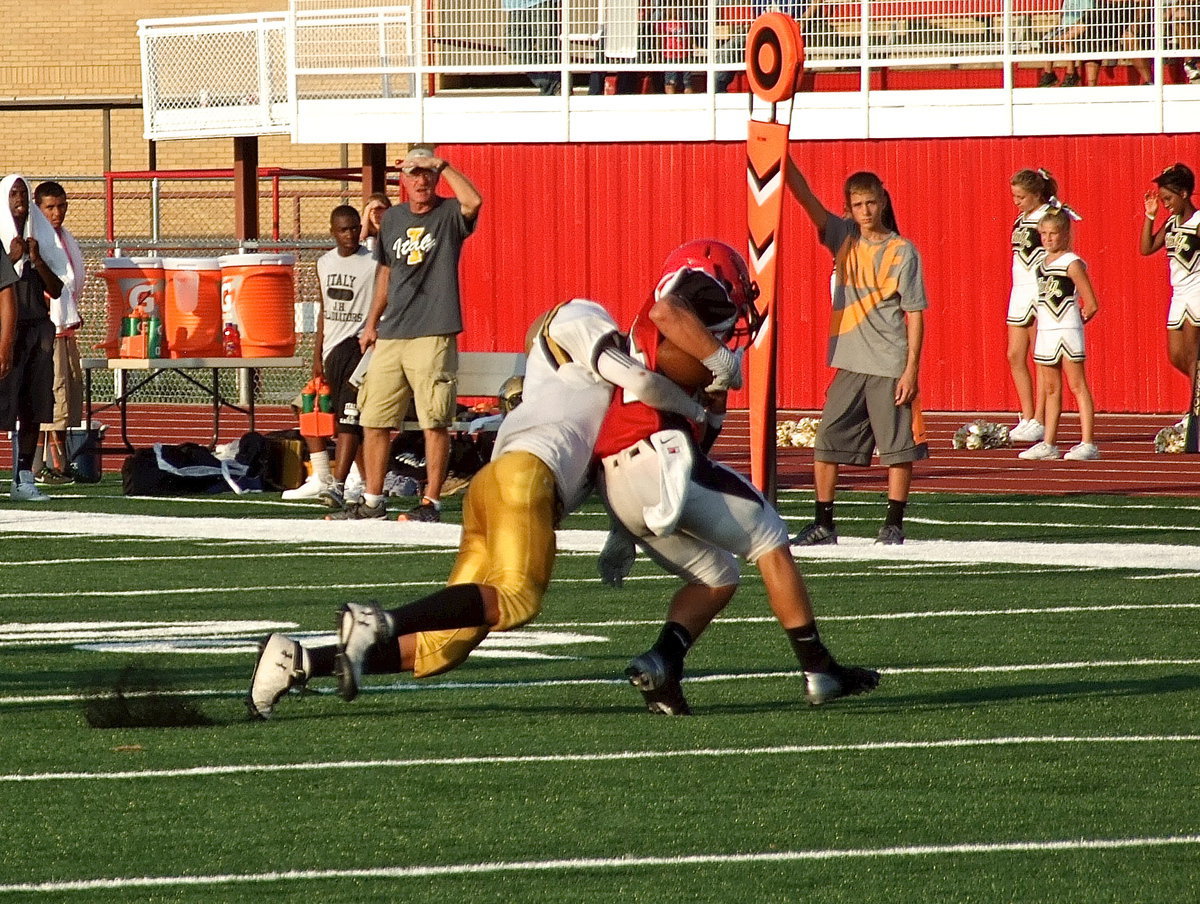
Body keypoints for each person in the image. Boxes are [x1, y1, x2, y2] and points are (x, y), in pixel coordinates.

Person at [248, 298, 711, 719]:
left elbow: (617, 465)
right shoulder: (579, 320)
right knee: (517, 599)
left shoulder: (589, 396)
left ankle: (300, 660)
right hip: (528, 479)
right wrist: (703, 400)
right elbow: (641, 378)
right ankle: (378, 621)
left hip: (499, 490)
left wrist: (620, 535)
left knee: (448, 644)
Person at [594, 239, 881, 715]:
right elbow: (668, 309)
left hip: (620, 478)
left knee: (717, 574)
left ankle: (662, 665)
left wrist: (619, 528)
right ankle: (819, 668)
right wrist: (719, 360)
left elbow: (697, 425)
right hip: (657, 455)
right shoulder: (691, 292)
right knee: (769, 532)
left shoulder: (649, 344)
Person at [329, 146, 482, 523]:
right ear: (404, 181)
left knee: (434, 420)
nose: (421, 180)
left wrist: (442, 164)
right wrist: (371, 323)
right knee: (374, 417)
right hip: (392, 333)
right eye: (414, 173)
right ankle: (373, 500)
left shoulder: (448, 214)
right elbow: (386, 273)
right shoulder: (393, 219)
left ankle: (431, 503)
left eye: (426, 173)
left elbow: (473, 200)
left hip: (433, 331)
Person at [786, 160, 928, 546]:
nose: (866, 210)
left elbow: (914, 314)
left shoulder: (903, 251)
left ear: (883, 201)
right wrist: (780, 158)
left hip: (888, 362)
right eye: (858, 204)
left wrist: (911, 369)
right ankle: (824, 524)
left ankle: (894, 522)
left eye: (871, 202)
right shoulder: (842, 236)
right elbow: (804, 198)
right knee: (826, 442)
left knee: (898, 448)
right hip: (849, 362)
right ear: (848, 208)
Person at [281, 205, 375, 506]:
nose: (350, 235)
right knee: (307, 408)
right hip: (331, 350)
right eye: (343, 229)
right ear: (333, 231)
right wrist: (316, 353)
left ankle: (339, 483)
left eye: (354, 228)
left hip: (358, 348)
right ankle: (324, 475)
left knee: (349, 418)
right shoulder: (324, 263)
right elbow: (324, 310)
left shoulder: (373, 261)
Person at [0, 175, 64, 502]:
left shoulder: (40, 238)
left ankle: (23, 476)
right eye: (13, 193)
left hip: (37, 329)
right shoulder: (2, 239)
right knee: (3, 402)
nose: (19, 199)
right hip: (4, 333)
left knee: (33, 406)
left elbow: (56, 289)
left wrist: (36, 260)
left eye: (23, 193)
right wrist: (11, 259)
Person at [1019, 207, 1100, 461]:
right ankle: (1049, 443)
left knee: (1077, 385)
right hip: (1045, 332)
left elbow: (1091, 303)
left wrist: (1077, 322)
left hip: (1067, 330)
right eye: (1043, 234)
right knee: (1051, 388)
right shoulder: (1041, 264)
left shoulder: (1072, 263)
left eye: (1053, 233)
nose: (1048, 239)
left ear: (1065, 234)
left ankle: (1088, 442)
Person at [31, 181, 86, 485]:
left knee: (69, 393)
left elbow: (72, 281)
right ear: (39, 208)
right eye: (50, 207)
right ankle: (44, 465)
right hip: (47, 329)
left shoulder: (65, 238)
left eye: (62, 205)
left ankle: (58, 463)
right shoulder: (37, 241)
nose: (57, 212)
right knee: (53, 395)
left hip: (65, 326)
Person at [1140, 162, 1199, 428]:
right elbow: (1147, 247)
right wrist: (1150, 216)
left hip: (1197, 290)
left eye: (1168, 198)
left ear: (1184, 194)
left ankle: (1194, 413)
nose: (1165, 204)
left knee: (1193, 353)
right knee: (1176, 355)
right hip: (1179, 294)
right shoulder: (1171, 222)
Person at [1007, 168, 1059, 444]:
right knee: (1015, 355)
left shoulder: (1047, 218)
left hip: (1038, 290)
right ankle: (1027, 415)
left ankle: (1039, 418)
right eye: (1014, 195)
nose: (1016, 201)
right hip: (1019, 289)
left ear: (1037, 194)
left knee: (1040, 356)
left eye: (1021, 196)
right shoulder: (1021, 218)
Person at [502, 0, 561, 95]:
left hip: (541, 2)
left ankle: (554, 88)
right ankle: (552, 85)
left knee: (547, 46)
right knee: (515, 46)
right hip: (515, 4)